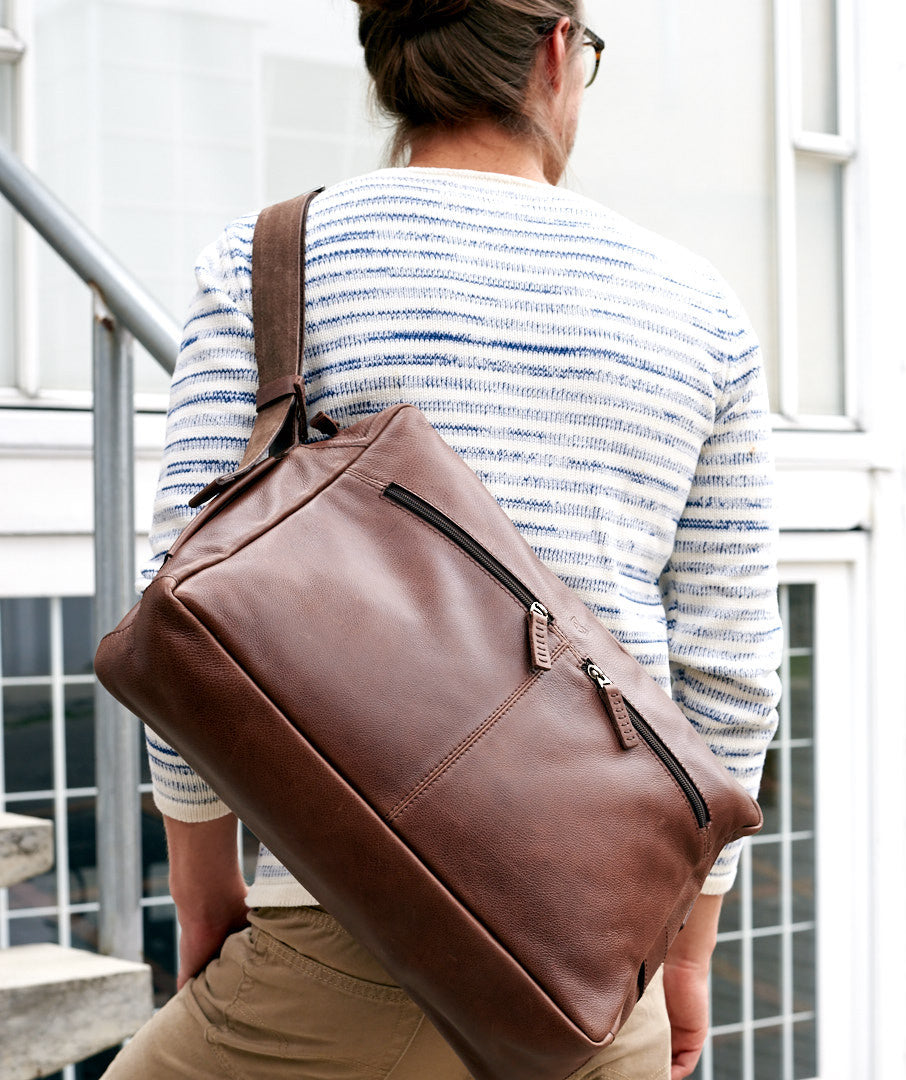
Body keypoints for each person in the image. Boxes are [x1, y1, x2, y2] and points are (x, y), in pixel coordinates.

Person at [103, 1, 782, 1078]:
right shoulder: (699, 310)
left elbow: (180, 608)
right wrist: (685, 950)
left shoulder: (268, 259)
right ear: (557, 50)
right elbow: (732, 667)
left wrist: (204, 884)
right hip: (591, 967)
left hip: (326, 933)